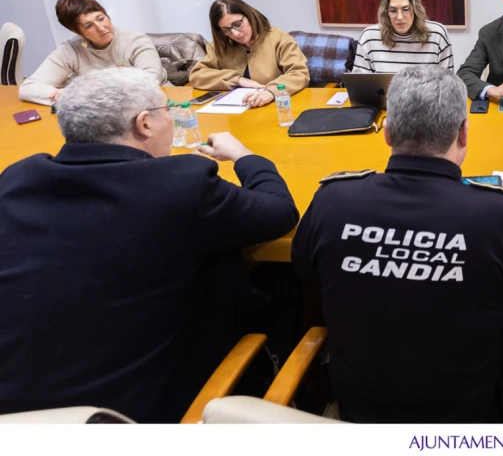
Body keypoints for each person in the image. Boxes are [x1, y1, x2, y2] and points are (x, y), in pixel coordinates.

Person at [0, 68, 299, 423]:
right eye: (167, 111)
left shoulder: (17, 179)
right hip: (133, 419)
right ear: (145, 124)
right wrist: (245, 156)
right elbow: (280, 212)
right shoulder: (180, 184)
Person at [292, 66, 503, 422]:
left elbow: (304, 270)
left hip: (359, 417)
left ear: (387, 133)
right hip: (469, 424)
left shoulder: (331, 200)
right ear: (463, 132)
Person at [18, 0, 164, 106]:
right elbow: (28, 88)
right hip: (101, 115)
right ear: (78, 32)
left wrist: (83, 92)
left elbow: (150, 80)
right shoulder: (71, 50)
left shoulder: (136, 40)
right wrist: (66, 95)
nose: (101, 28)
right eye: (88, 26)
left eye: (101, 18)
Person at [189, 0, 309, 108]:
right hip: (235, 112)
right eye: (227, 30)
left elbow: (299, 73)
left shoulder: (279, 39)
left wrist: (271, 91)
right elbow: (197, 75)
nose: (235, 34)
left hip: (276, 107)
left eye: (237, 24)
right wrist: (237, 80)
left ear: (249, 16)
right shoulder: (220, 45)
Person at [352, 0, 454, 74]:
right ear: (386, 11)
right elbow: (359, 87)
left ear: (415, 8)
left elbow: (448, 85)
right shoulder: (369, 37)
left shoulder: (437, 35)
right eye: (393, 10)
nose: (399, 17)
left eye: (405, 9)